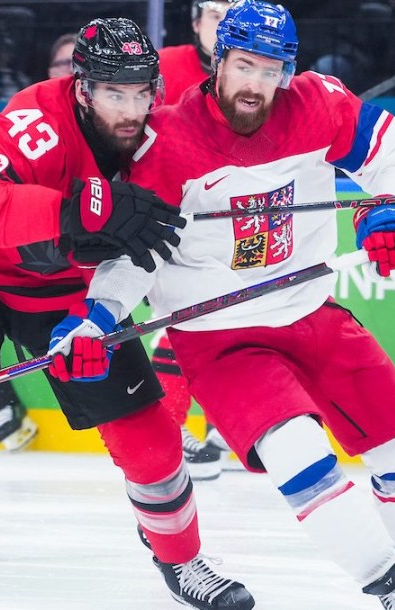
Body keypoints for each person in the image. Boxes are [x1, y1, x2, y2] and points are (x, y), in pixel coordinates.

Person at [50, 2, 395, 609]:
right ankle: (392, 588)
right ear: (218, 61)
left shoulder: (318, 103)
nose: (256, 85)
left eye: (272, 70)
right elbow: (140, 253)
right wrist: (101, 315)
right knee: (300, 455)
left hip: (313, 313)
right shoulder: (165, 141)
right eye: (245, 65)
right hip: (223, 338)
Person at [0, 17, 253, 610]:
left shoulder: (158, 142)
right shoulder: (37, 122)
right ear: (82, 88)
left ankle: (183, 559)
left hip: (65, 297)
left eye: (142, 92)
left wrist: (99, 318)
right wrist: (77, 209)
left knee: (152, 443)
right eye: (115, 92)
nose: (131, 108)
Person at [153, 0, 238, 481]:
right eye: (214, 14)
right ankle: (169, 431)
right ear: (195, 23)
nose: (222, 23)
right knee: (179, 319)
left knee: (239, 318)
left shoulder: (257, 69)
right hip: (175, 217)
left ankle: (227, 427)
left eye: (232, 13)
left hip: (235, 219)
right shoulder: (165, 66)